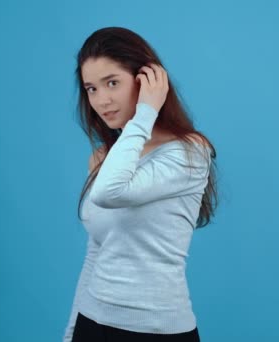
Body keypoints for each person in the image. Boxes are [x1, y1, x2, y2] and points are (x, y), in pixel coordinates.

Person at [63, 26, 219, 342]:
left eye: (112, 83)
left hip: (155, 332)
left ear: (146, 81)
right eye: (91, 89)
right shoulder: (107, 158)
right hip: (91, 323)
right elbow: (97, 251)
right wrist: (71, 333)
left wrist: (147, 111)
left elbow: (110, 193)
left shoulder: (190, 153)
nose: (101, 100)